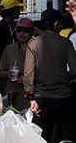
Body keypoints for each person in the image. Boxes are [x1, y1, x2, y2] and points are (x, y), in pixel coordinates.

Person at [24, 8, 76, 142]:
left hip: (42, 98)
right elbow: (75, 70)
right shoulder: (66, 43)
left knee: (41, 135)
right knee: (66, 136)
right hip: (64, 97)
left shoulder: (33, 43)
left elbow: (28, 73)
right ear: (56, 23)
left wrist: (31, 97)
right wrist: (65, 77)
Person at [0, 18, 33, 112]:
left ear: (32, 32)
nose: (22, 33)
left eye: (26, 30)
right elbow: (0, 72)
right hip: (12, 97)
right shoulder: (9, 49)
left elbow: (46, 74)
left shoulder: (38, 48)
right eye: (19, 30)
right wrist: (7, 73)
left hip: (31, 97)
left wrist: (28, 79)